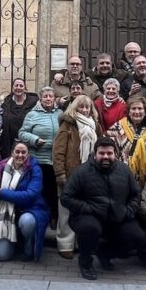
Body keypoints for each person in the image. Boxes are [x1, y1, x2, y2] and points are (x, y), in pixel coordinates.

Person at [62, 137, 146, 280]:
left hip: (118, 216)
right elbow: (66, 197)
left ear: (115, 154)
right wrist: (87, 208)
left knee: (137, 237)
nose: (105, 156)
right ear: (95, 154)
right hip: (89, 216)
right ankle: (85, 262)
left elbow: (136, 194)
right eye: (102, 153)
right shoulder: (82, 171)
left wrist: (129, 211)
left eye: (109, 153)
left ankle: (106, 252)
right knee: (90, 228)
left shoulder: (124, 170)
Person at [53, 95, 100, 259]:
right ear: (75, 108)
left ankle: (83, 243)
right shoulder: (67, 124)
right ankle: (65, 244)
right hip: (70, 175)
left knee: (86, 211)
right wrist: (60, 174)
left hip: (90, 175)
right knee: (66, 211)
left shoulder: (95, 126)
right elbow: (58, 152)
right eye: (82, 107)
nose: (85, 110)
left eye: (88, 107)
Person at [0, 141, 51, 262]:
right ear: (12, 153)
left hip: (31, 209)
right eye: (17, 152)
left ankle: (28, 248)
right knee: (2, 255)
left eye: (23, 152)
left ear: (28, 154)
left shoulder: (34, 168)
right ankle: (14, 242)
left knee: (27, 221)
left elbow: (29, 195)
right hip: (7, 215)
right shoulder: (0, 168)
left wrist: (1, 192)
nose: (20, 155)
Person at [18, 87, 61, 224]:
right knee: (41, 189)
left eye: (51, 96)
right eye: (45, 96)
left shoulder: (60, 113)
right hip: (39, 159)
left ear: (54, 99)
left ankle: (54, 216)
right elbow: (22, 133)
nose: (48, 99)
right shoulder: (32, 115)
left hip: (56, 158)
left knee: (54, 190)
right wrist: (34, 139)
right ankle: (42, 216)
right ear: (40, 99)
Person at [106, 96, 146, 185]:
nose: (137, 112)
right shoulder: (118, 127)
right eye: (133, 108)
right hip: (122, 178)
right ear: (128, 111)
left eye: (140, 108)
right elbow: (106, 148)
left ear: (145, 111)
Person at [0, 78, 39, 156]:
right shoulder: (6, 104)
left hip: (28, 140)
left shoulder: (34, 103)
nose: (18, 87)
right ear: (12, 88)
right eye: (16, 85)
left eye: (21, 86)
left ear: (25, 88)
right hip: (9, 141)